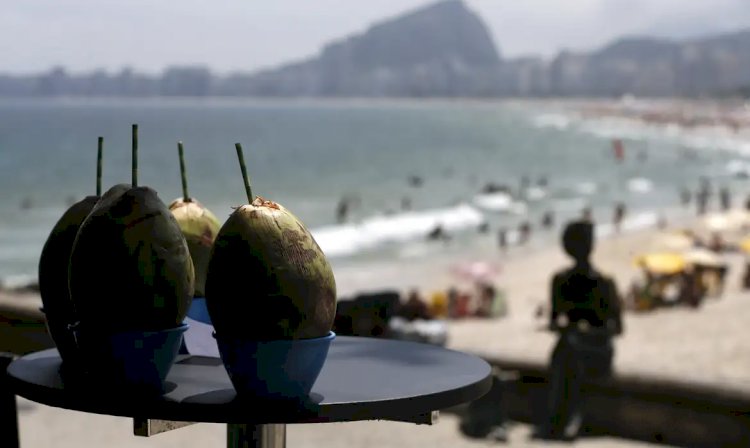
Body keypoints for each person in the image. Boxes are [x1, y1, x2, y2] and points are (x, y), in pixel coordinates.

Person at [538, 220, 623, 441]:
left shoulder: (565, 281)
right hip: (581, 347)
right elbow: (618, 327)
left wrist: (583, 331)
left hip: (592, 348)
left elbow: (554, 323)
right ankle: (567, 418)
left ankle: (562, 417)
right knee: (569, 350)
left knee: (568, 351)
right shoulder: (602, 282)